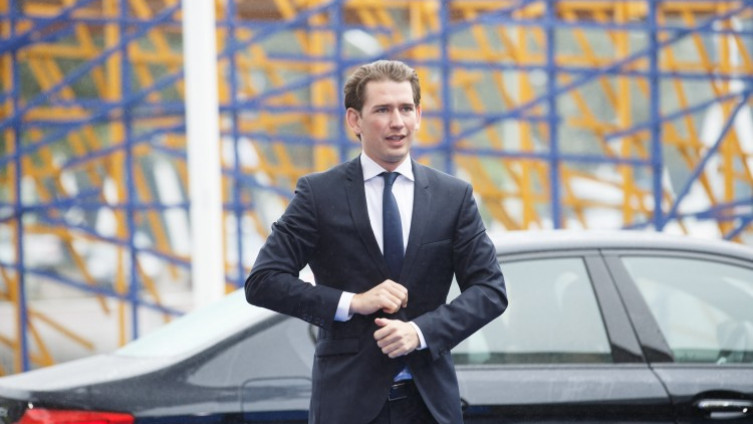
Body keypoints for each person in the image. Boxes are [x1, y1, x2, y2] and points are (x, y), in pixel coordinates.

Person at [245, 59, 508, 424]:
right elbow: (263, 281)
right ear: (355, 120)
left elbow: (490, 290)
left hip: (429, 406)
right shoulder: (318, 194)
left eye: (406, 109)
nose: (397, 121)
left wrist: (420, 332)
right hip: (348, 406)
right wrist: (353, 302)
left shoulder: (453, 196)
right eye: (383, 110)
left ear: (418, 115)